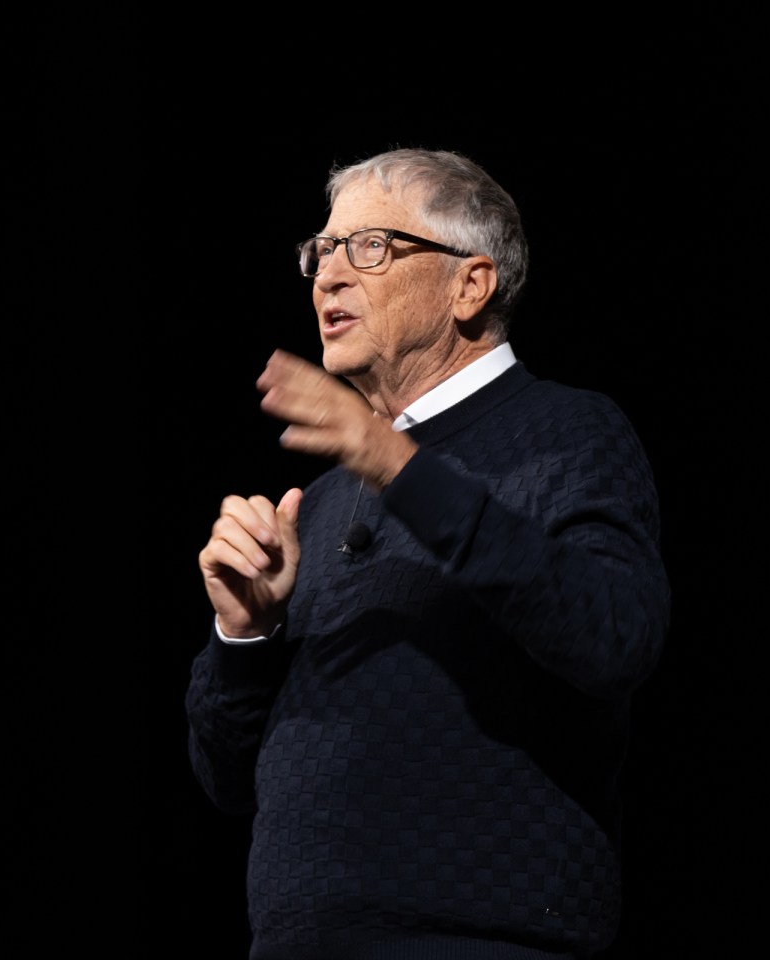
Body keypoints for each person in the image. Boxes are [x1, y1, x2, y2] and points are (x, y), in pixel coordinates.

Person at [185, 147, 671, 959]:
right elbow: (224, 781)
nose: (328, 277)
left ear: (469, 285)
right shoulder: (330, 491)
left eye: (368, 247)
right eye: (321, 251)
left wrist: (399, 467)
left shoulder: (569, 432)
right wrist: (245, 636)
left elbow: (614, 637)